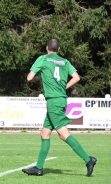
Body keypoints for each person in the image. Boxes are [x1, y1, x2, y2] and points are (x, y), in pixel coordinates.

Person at [22, 38, 97, 176]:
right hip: (61, 99)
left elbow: (29, 77)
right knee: (45, 133)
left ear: (47, 48)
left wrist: (40, 78)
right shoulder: (65, 61)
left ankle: (88, 159)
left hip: (53, 101)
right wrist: (64, 86)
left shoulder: (43, 59)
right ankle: (39, 168)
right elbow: (76, 77)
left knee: (63, 134)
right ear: (59, 50)